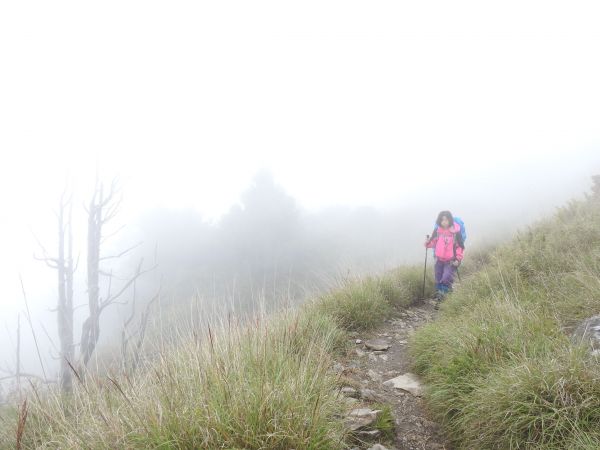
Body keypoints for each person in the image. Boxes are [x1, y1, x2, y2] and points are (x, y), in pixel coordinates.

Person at [424, 210, 465, 300]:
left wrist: (458, 259)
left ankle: (443, 296)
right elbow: (434, 243)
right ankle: (442, 293)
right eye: (442, 220)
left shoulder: (455, 232)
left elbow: (460, 247)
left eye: (446, 220)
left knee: (446, 277)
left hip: (451, 260)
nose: (444, 222)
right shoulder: (438, 231)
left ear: (450, 220)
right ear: (439, 221)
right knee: (438, 277)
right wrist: (427, 244)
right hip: (439, 259)